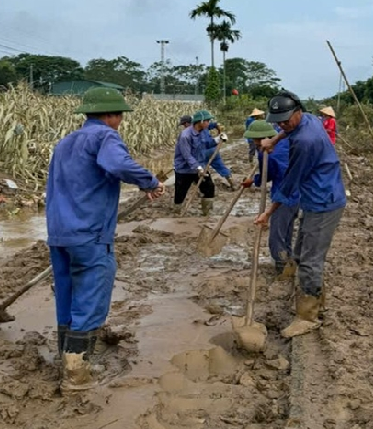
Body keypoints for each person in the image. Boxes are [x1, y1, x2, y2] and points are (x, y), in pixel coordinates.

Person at [46, 87, 165, 392]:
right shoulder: (105, 137)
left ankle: (66, 357)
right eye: (120, 116)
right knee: (90, 296)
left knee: (67, 296)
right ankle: (76, 373)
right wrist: (149, 182)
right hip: (90, 234)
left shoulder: (65, 142)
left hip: (60, 233)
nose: (120, 121)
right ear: (112, 115)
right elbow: (118, 165)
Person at [255, 89, 346, 338]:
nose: (283, 124)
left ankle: (308, 316)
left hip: (323, 201)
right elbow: (290, 130)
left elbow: (289, 183)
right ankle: (305, 292)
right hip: (317, 195)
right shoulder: (308, 119)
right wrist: (275, 139)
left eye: (286, 119)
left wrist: (268, 213)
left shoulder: (305, 142)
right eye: (279, 122)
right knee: (300, 248)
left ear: (298, 111)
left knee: (310, 259)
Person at [242, 119, 299, 279]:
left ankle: (282, 269)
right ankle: (289, 261)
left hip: (283, 197)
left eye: (255, 141)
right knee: (286, 232)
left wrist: (255, 181)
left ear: (261, 139)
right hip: (298, 195)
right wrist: (254, 180)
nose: (254, 143)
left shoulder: (267, 153)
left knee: (276, 237)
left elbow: (271, 174)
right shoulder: (287, 142)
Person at [173, 110, 217, 216]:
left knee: (209, 187)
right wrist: (198, 167)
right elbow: (187, 155)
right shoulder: (185, 136)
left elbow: (205, 144)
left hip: (200, 165)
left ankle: (207, 212)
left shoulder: (203, 132)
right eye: (207, 121)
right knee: (180, 193)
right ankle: (178, 212)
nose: (208, 123)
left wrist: (217, 140)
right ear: (200, 121)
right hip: (185, 169)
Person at [178, 115, 235, 190]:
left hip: (203, 153)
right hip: (213, 150)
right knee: (220, 166)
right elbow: (212, 125)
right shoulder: (203, 125)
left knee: (198, 170)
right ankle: (232, 183)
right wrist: (217, 126)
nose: (184, 127)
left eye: (184, 125)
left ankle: (202, 188)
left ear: (187, 123)